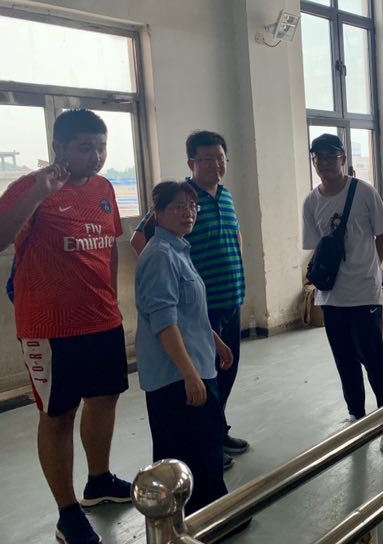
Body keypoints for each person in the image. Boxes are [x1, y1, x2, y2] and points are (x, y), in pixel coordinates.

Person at [0, 110, 131, 544]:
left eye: (101, 147)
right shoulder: (31, 188)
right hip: (50, 328)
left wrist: (111, 297)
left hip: (102, 319)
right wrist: (40, 190)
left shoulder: (104, 188)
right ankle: (67, 512)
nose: (95, 156)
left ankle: (99, 481)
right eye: (84, 147)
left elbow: (109, 247)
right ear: (59, 148)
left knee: (105, 398)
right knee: (58, 415)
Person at [131, 131, 248, 469]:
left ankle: (217, 432)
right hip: (197, 307)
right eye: (207, 159)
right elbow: (139, 237)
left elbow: (235, 234)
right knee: (200, 380)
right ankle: (209, 441)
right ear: (191, 163)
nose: (215, 165)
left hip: (231, 297)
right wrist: (168, 277)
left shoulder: (224, 196)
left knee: (223, 372)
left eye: (220, 158)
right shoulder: (179, 197)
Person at [134, 181, 234, 514]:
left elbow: (188, 311)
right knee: (190, 453)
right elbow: (164, 322)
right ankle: (202, 519)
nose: (187, 213)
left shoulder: (178, 249)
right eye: (178, 207)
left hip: (197, 365)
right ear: (158, 213)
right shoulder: (160, 256)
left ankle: (211, 512)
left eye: (192, 207)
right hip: (175, 377)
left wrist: (215, 341)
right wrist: (189, 375)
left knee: (207, 444)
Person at [301, 133, 383, 452]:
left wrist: (370, 270)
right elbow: (316, 246)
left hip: (364, 293)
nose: (324, 163)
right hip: (331, 296)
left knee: (374, 358)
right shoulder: (311, 202)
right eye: (318, 158)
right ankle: (356, 415)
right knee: (344, 359)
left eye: (331, 156)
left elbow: (382, 235)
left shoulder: (364, 191)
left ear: (343, 159)